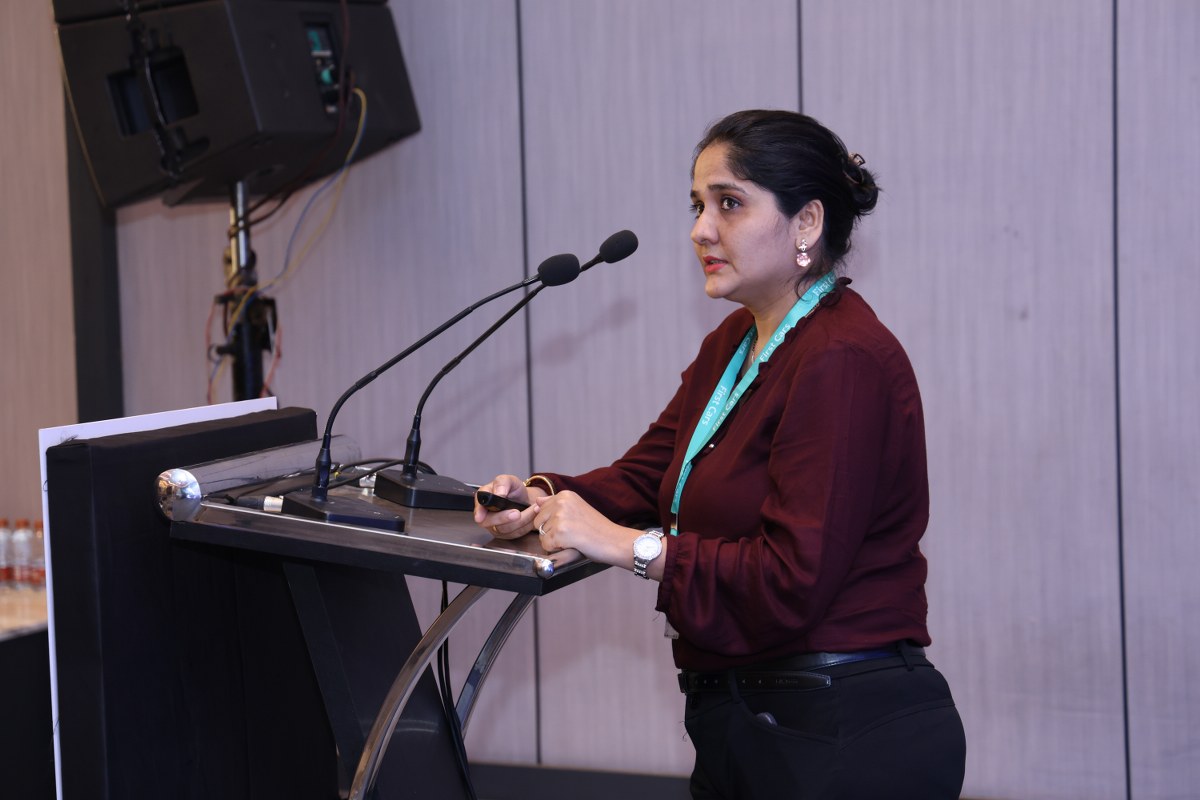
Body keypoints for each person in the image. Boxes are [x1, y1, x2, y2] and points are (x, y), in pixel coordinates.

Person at [473, 109, 966, 799]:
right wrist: (539, 498)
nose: (700, 230)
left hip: (840, 731)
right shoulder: (734, 344)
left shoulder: (841, 359)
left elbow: (792, 577)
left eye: (729, 204)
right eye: (697, 205)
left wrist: (626, 545)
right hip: (752, 721)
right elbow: (647, 478)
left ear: (806, 222)